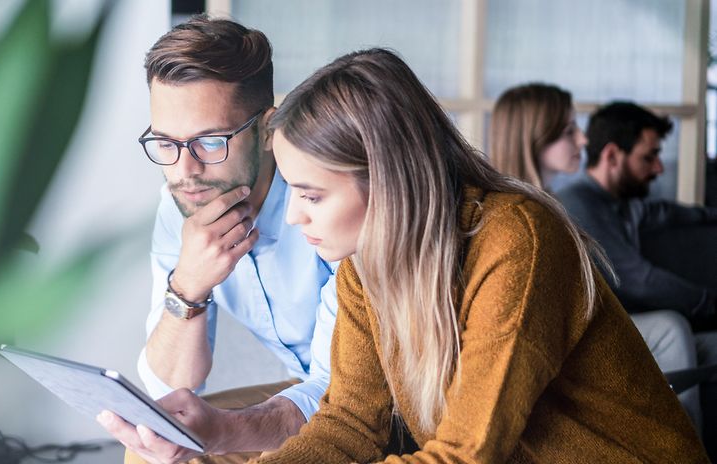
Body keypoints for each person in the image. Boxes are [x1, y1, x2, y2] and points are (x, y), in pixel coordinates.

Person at [255, 48, 706, 463]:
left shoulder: (516, 241)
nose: (293, 217)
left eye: (310, 196)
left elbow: (466, 456)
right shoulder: (361, 273)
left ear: (389, 183)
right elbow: (347, 425)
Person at [96, 16, 338, 464]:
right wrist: (188, 286)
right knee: (153, 446)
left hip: (380, 400)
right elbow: (170, 390)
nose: (184, 171)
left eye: (209, 142)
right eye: (166, 143)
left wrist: (224, 431)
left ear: (267, 130)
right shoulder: (182, 204)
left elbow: (345, 391)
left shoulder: (325, 200)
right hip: (308, 389)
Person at [490, 85, 705, 431]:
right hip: (551, 345)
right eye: (568, 131)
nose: (582, 140)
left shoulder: (551, 204)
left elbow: (660, 214)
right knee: (669, 328)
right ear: (535, 138)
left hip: (572, 330)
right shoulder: (524, 214)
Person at [556, 101, 717, 327]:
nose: (659, 168)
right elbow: (638, 281)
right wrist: (711, 304)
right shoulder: (577, 203)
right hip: (596, 334)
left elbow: (666, 213)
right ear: (612, 156)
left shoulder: (621, 203)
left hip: (630, 323)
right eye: (648, 157)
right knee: (672, 326)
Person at [489, 82, 587, 191]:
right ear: (532, 138)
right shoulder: (516, 207)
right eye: (569, 131)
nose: (583, 140)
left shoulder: (545, 202)